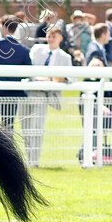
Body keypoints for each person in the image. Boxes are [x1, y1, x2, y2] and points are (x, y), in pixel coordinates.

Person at [25, 24, 72, 167]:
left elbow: (69, 78)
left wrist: (51, 79)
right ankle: (28, 159)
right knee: (26, 128)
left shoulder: (65, 57)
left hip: (45, 96)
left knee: (38, 128)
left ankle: (34, 161)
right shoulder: (37, 49)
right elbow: (29, 68)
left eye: (54, 36)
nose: (51, 39)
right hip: (29, 92)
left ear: (60, 38)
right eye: (49, 36)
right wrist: (39, 78)